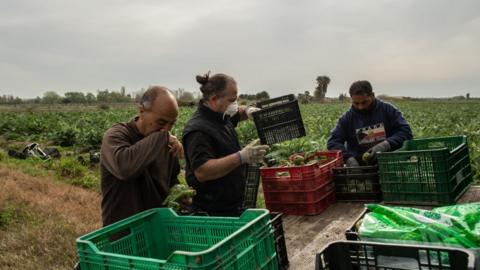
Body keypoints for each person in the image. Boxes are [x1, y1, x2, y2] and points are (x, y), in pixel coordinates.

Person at [182, 72, 268, 216]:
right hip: (213, 212)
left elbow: (236, 113)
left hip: (232, 204)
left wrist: (248, 111)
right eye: (231, 100)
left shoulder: (220, 116)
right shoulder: (198, 130)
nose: (234, 104)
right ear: (214, 99)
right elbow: (203, 171)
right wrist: (241, 157)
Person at [100, 86, 184, 226]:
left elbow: (171, 182)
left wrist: (180, 195)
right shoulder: (117, 136)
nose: (166, 130)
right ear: (141, 111)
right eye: (161, 122)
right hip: (123, 233)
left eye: (172, 124)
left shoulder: (166, 143)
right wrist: (161, 139)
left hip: (155, 230)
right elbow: (125, 168)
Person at [327, 80, 413, 166]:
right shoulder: (347, 119)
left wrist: (385, 145)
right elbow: (333, 142)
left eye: (364, 102)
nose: (360, 107)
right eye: (356, 103)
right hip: (360, 168)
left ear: (372, 95)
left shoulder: (387, 110)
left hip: (389, 165)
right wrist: (348, 158)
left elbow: (406, 132)